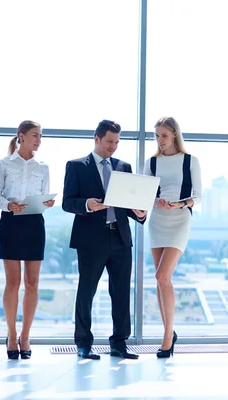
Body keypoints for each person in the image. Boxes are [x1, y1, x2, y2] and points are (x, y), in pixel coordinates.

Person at [63, 119, 147, 360]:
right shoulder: (77, 166)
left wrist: (139, 213)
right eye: (110, 141)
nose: (113, 146)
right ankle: (83, 344)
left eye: (117, 142)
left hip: (120, 237)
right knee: (86, 292)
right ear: (97, 139)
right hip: (91, 239)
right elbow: (68, 202)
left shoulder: (123, 166)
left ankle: (119, 344)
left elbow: (127, 204)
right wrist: (87, 205)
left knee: (121, 293)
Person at [0, 120, 54, 360]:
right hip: (10, 222)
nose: (39, 140)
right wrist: (9, 205)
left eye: (40, 136)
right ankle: (11, 333)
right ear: (22, 136)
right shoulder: (4, 163)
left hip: (34, 223)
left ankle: (25, 336)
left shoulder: (43, 166)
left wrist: (47, 203)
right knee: (12, 282)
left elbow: (44, 198)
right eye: (35, 135)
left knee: (32, 282)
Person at [144, 116, 202, 358]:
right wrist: (156, 200)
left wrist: (180, 203)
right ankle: (168, 331)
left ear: (175, 135)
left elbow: (198, 196)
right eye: (157, 136)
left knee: (162, 274)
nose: (160, 140)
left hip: (179, 219)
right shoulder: (152, 162)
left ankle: (168, 335)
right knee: (161, 280)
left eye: (164, 136)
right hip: (157, 220)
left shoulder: (190, 161)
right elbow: (143, 194)